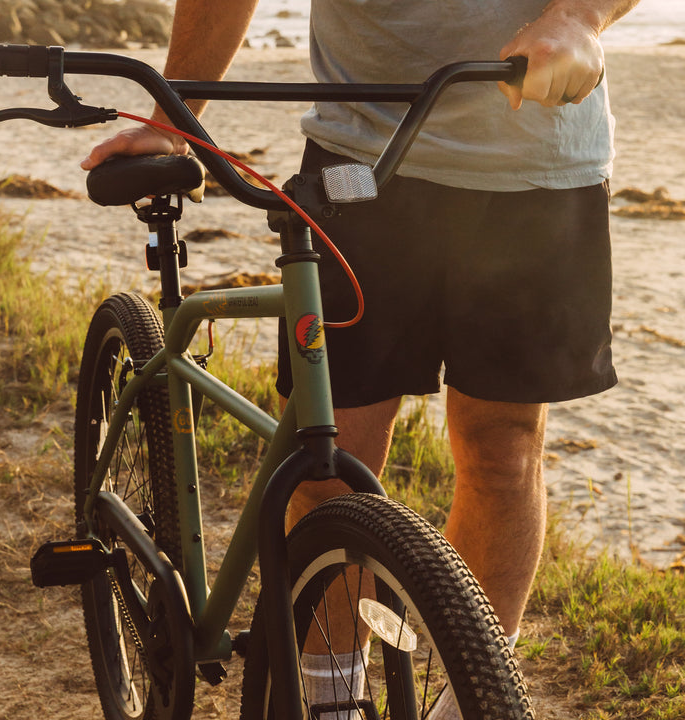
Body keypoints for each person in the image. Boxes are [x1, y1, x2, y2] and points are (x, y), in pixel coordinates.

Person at [83, 0, 638, 712]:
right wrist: (175, 112)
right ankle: (328, 702)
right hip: (362, 164)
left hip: (540, 172)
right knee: (329, 463)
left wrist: (582, 16)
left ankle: (472, 704)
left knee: (503, 452)